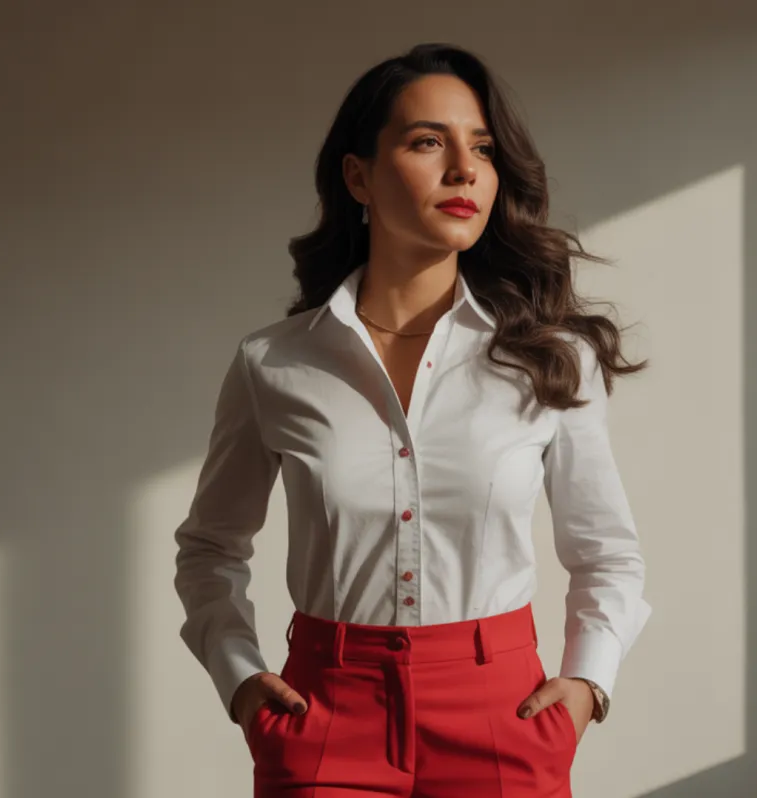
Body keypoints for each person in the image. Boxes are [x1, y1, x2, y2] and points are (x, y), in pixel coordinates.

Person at [174, 42, 651, 798]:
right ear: (358, 175)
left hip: (501, 716)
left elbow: (608, 554)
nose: (465, 169)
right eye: (429, 141)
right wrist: (238, 678)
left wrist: (588, 685)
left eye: (483, 149)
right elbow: (208, 548)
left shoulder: (548, 359)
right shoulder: (274, 363)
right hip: (325, 714)